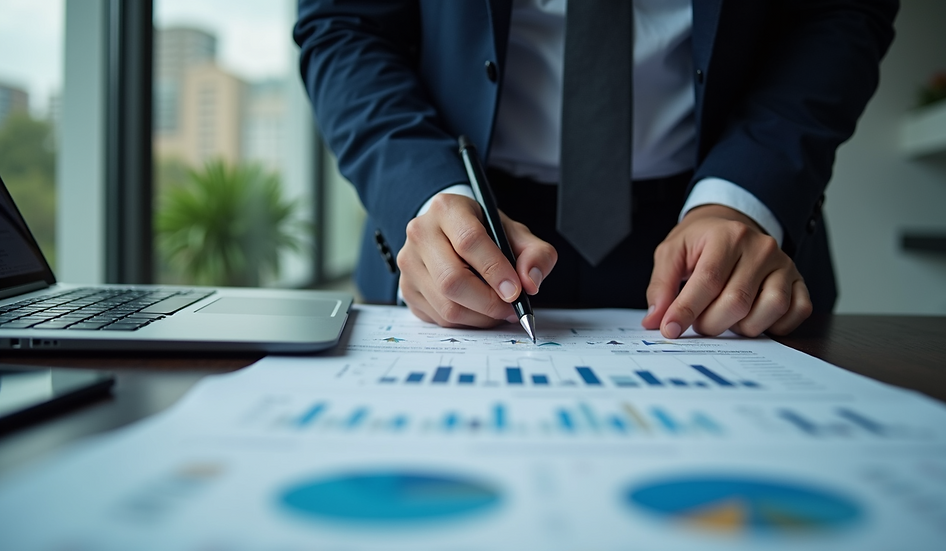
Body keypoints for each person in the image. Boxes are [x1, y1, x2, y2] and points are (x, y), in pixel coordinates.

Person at [294, 0, 898, 338]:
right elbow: (345, 24)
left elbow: (839, 12)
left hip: (716, 236)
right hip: (472, 229)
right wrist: (427, 192)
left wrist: (742, 195)